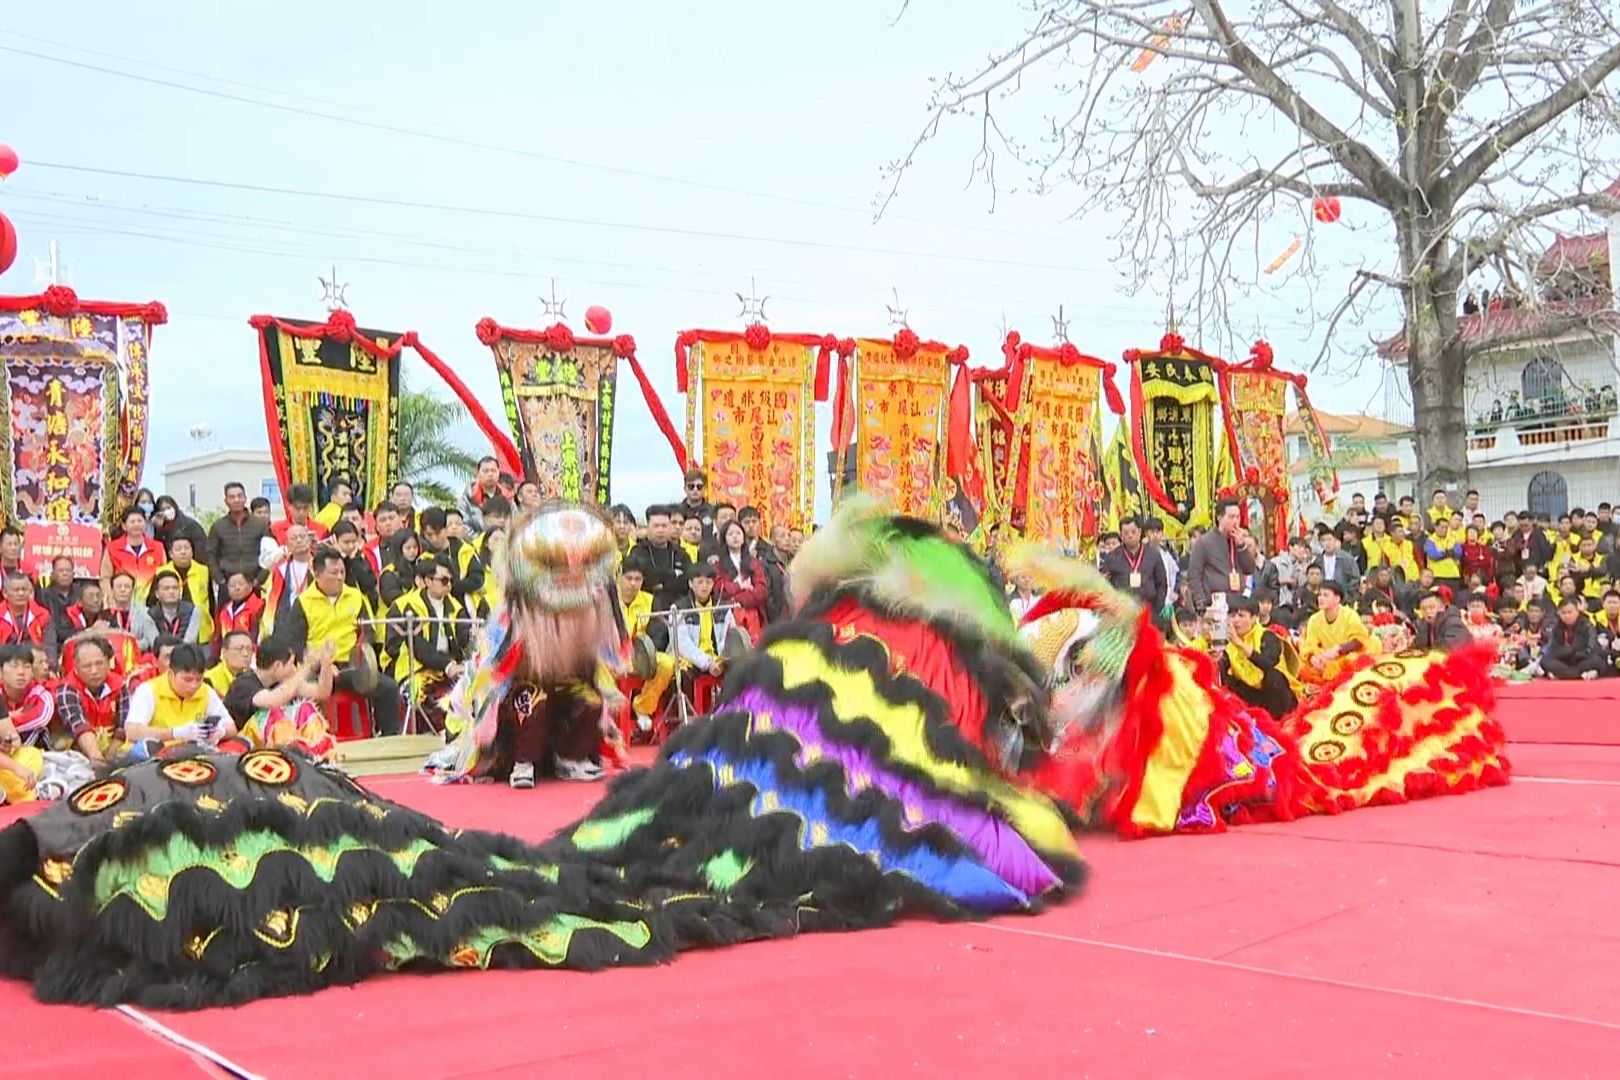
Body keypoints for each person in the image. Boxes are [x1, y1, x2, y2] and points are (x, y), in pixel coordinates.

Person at [278, 546, 401, 736]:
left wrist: (361, 654)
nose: (340, 577)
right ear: (317, 574)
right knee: (296, 691)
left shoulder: (356, 596)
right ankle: (313, 740)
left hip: (351, 665)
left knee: (388, 688)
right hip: (317, 668)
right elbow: (295, 643)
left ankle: (389, 739)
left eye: (342, 571)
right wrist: (320, 665)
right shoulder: (303, 602)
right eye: (333, 572)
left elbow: (368, 631)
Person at [223, 635, 337, 758]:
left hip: (269, 747)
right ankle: (290, 758)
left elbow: (322, 692)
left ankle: (321, 758)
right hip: (241, 750)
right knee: (276, 716)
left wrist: (326, 662)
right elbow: (273, 700)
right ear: (278, 665)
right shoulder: (243, 684)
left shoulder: (283, 683)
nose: (294, 669)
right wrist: (306, 667)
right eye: (291, 664)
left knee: (305, 708)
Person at [123, 642, 239, 749]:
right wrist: (175, 733)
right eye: (187, 679)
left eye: (198, 679)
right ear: (171, 674)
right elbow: (132, 731)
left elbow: (232, 727)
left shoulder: (205, 691)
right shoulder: (148, 690)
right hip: (153, 758)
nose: (194, 685)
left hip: (191, 754)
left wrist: (220, 732)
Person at [1218, 596, 1298, 721]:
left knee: (1273, 677)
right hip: (1251, 694)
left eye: (1241, 615)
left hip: (1276, 695)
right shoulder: (1227, 642)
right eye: (1232, 616)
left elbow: (1268, 663)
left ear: (1254, 618)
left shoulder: (1267, 636)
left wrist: (1240, 644)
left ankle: (1279, 720)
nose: (1236, 621)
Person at [54, 635, 128, 765]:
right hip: (77, 752)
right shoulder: (67, 689)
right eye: (87, 666)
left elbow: (124, 725)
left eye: (99, 663)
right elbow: (79, 725)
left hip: (114, 749)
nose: (94, 671)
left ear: (108, 662)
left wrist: (111, 757)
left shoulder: (119, 684)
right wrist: (98, 760)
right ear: (76, 667)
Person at [208, 481, 271, 609]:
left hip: (254, 584)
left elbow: (270, 554)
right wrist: (221, 580)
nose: (236, 500)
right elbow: (210, 555)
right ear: (226, 501)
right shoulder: (218, 527)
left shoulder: (259, 525)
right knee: (226, 625)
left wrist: (259, 580)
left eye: (239, 496)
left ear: (245, 499)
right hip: (227, 586)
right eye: (232, 497)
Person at [1187, 499, 1256, 615]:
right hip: (1214, 604)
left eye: (1237, 517)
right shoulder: (1204, 542)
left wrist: (1242, 546)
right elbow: (1194, 575)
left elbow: (1249, 569)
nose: (1235, 521)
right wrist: (1200, 602)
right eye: (1231, 517)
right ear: (1219, 518)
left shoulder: (1239, 540)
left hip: (1237, 601)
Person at [1300, 582, 1376, 683]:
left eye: (1325, 595)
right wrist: (1312, 658)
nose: (1321, 598)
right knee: (1305, 669)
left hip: (1346, 654)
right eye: (1319, 595)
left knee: (1355, 661)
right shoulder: (1314, 619)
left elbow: (1359, 640)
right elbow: (1309, 644)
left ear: (1337, 599)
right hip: (1328, 658)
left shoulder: (1350, 615)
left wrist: (1338, 650)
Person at [627, 505, 692, 611]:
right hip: (646, 609)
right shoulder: (638, 552)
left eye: (664, 526)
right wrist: (673, 574)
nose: (660, 530)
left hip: (677, 610)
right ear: (648, 527)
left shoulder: (680, 553)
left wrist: (660, 583)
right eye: (656, 526)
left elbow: (687, 582)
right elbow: (645, 580)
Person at [1100, 516, 1169, 616]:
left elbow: (1162, 583)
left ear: (1140, 532)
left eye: (1133, 532)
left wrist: (1156, 609)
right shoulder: (1112, 557)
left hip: (1149, 610)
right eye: (1126, 533)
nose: (1130, 536)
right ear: (1121, 535)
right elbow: (1105, 585)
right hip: (1122, 613)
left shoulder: (1153, 555)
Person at [150, 536, 214, 642]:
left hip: (202, 631)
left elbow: (211, 602)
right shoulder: (161, 572)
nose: (183, 552)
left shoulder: (204, 571)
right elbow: (152, 603)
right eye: (178, 549)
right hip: (171, 631)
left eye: (187, 548)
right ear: (170, 553)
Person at [713, 519, 768, 643]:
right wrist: (740, 585)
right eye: (730, 534)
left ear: (743, 537)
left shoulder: (754, 563)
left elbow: (762, 591)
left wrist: (736, 598)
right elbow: (721, 591)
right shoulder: (719, 565)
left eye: (738, 533)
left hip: (754, 615)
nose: (735, 537)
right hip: (730, 615)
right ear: (724, 539)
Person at [260, 521, 317, 638]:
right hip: (287, 621)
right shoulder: (280, 569)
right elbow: (272, 600)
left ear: (309, 540)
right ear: (287, 544)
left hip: (314, 619)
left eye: (302, 536)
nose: (299, 541)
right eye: (294, 538)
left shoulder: (320, 566)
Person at [102, 506, 166, 597]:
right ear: (124, 526)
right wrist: (110, 597)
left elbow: (163, 577)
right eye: (132, 522)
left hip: (150, 604)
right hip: (120, 602)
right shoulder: (112, 548)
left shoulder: (158, 547)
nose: (136, 524)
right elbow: (105, 578)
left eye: (140, 521)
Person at [134, 569, 201, 648]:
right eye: (166, 588)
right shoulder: (149, 615)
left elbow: (189, 642)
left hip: (185, 655)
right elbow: (155, 644)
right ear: (157, 594)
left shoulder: (193, 611)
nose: (171, 591)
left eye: (175, 588)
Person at [1542, 597, 1604, 680]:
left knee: (1597, 661)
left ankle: (1564, 674)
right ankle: (1576, 674)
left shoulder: (1587, 626)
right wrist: (1566, 652)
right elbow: (1554, 649)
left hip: (1582, 659)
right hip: (1564, 660)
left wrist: (1575, 652)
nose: (1567, 616)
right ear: (1559, 614)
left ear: (1577, 612)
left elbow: (1591, 648)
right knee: (1545, 661)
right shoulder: (1556, 628)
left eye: (1570, 612)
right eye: (1563, 613)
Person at [459, 456, 515, 535]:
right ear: (478, 474)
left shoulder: (507, 498)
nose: (490, 474)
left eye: (493, 471)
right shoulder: (469, 497)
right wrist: (481, 541)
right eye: (485, 471)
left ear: (499, 472)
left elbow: (516, 522)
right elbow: (462, 523)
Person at [216, 570, 267, 647]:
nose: (237, 588)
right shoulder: (224, 611)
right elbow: (218, 639)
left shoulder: (259, 607)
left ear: (250, 586)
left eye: (241, 584)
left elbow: (256, 637)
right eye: (232, 585)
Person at [0, 572, 50, 647]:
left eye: (24, 589)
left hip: (34, 656)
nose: (21, 593)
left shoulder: (43, 614)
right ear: (5, 593)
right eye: (16, 590)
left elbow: (50, 645)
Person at [205, 630, 256, 698]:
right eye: (239, 649)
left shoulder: (255, 677)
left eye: (249, 649)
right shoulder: (209, 679)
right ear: (224, 652)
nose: (245, 653)